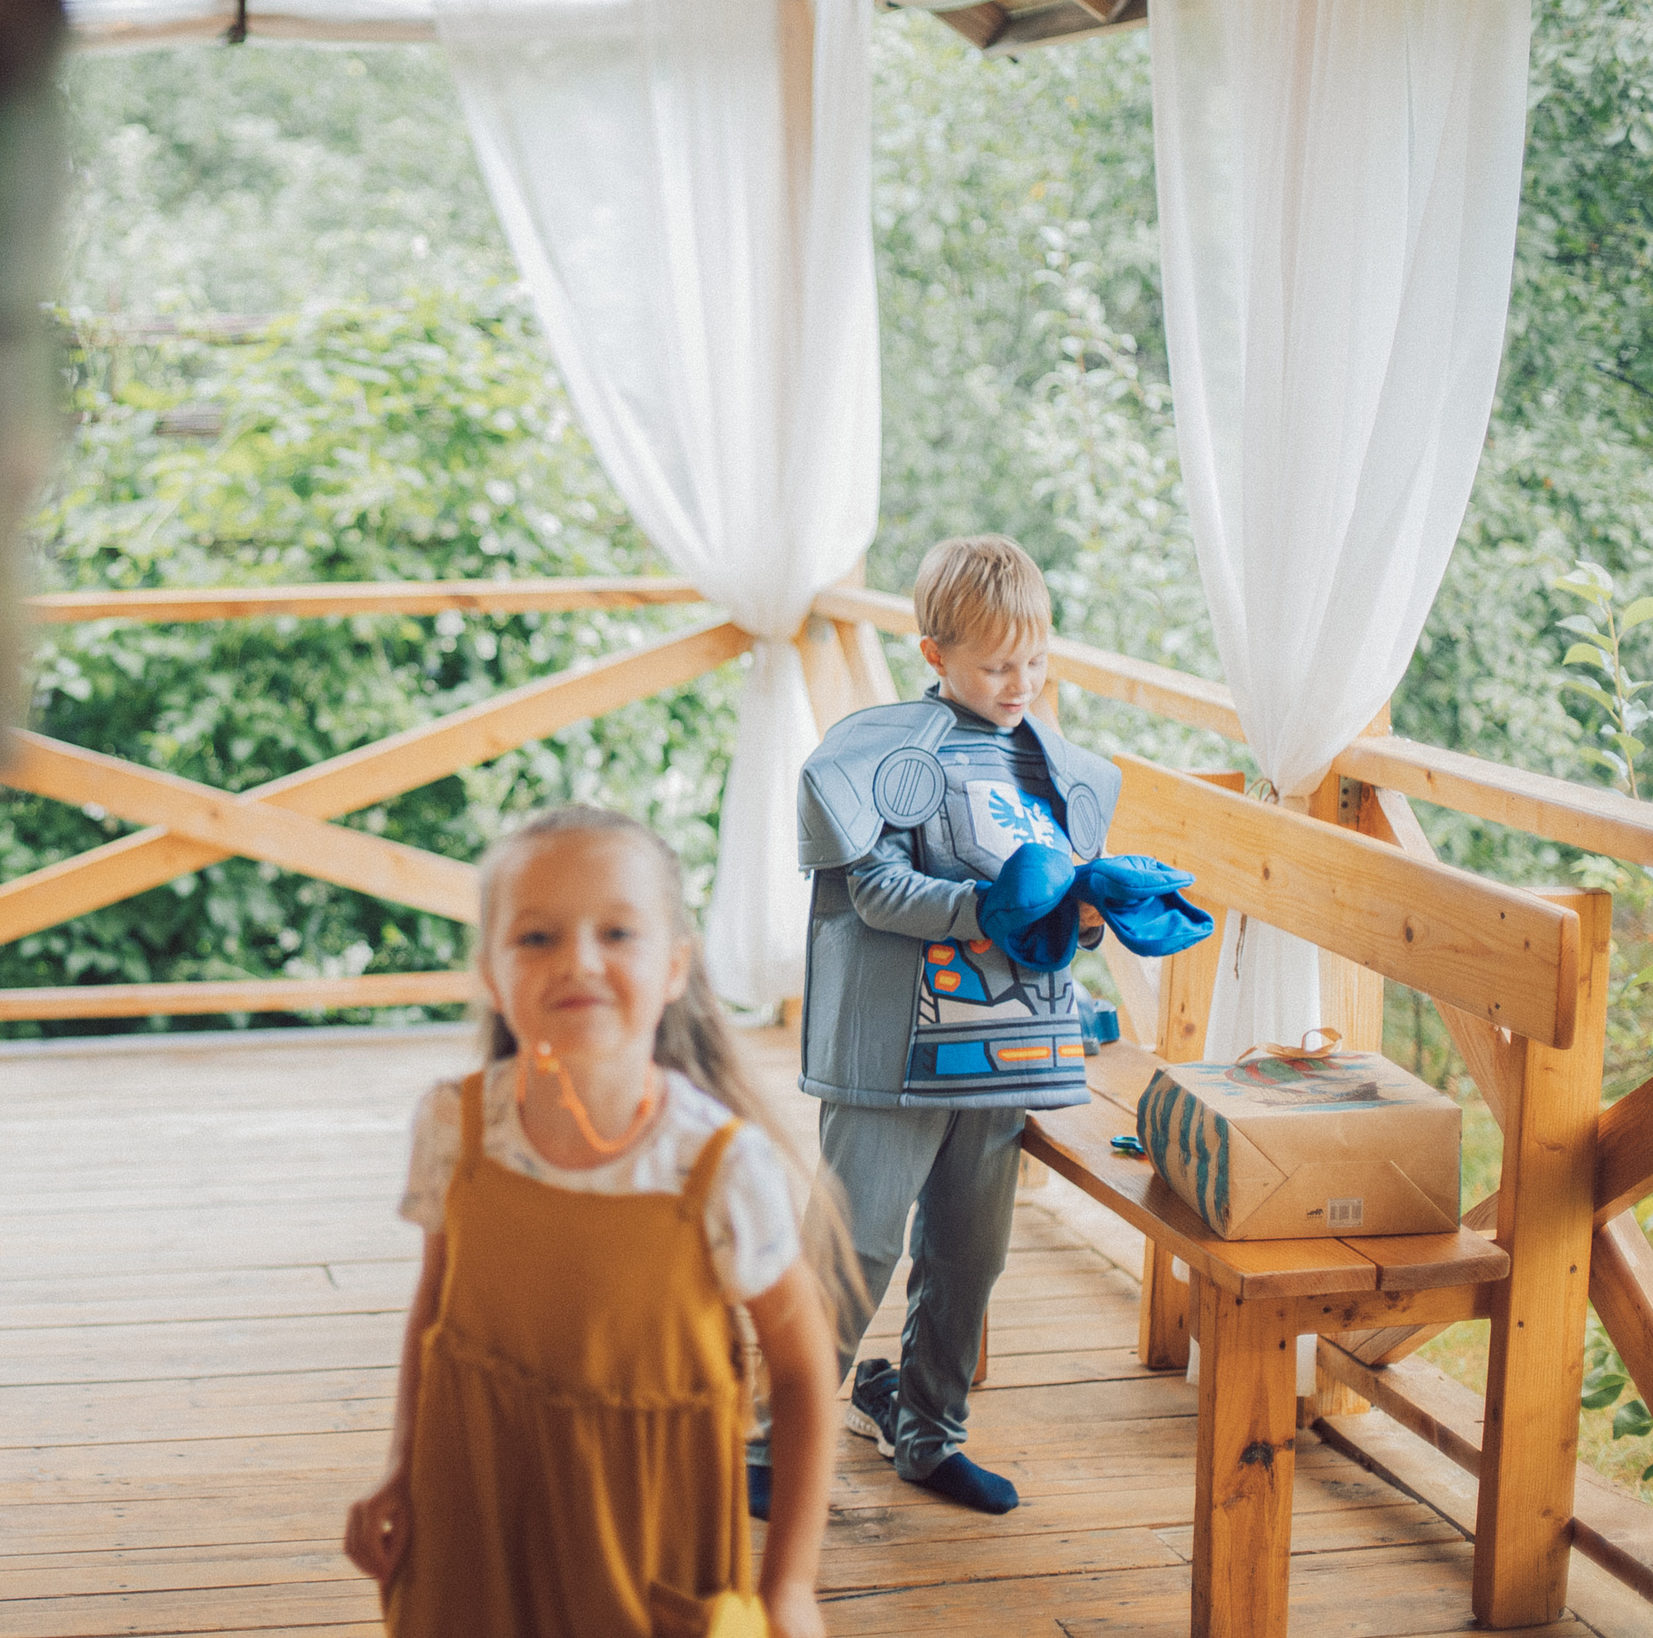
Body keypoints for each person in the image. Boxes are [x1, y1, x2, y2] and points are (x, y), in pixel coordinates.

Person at [343, 805, 845, 1638]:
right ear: (493, 976)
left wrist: (790, 1584)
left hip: (645, 1528)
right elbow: (435, 1306)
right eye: (536, 937)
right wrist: (398, 1468)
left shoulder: (719, 1164)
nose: (578, 960)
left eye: (617, 932)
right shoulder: (454, 1127)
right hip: (471, 1502)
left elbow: (800, 1373)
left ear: (676, 965)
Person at [793, 534, 1120, 1517]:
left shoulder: (1051, 765)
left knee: (967, 1257)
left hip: (1003, 1056)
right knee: (855, 1248)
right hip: (893, 1057)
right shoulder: (884, 752)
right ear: (934, 654)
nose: (1020, 682)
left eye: (1035, 659)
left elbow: (1054, 892)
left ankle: (930, 1435)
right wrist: (993, 910)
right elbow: (876, 890)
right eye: (994, 664)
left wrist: (1094, 909)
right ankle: (779, 1442)